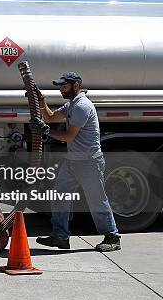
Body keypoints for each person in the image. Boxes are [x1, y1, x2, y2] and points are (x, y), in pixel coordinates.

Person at [34, 72, 121, 252]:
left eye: (64, 86)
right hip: (73, 161)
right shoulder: (71, 105)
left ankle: (113, 237)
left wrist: (46, 132)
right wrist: (41, 101)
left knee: (96, 200)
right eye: (60, 87)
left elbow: (69, 137)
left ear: (76, 86)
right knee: (59, 196)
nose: (61, 90)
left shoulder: (82, 106)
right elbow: (50, 117)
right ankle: (60, 237)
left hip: (89, 162)